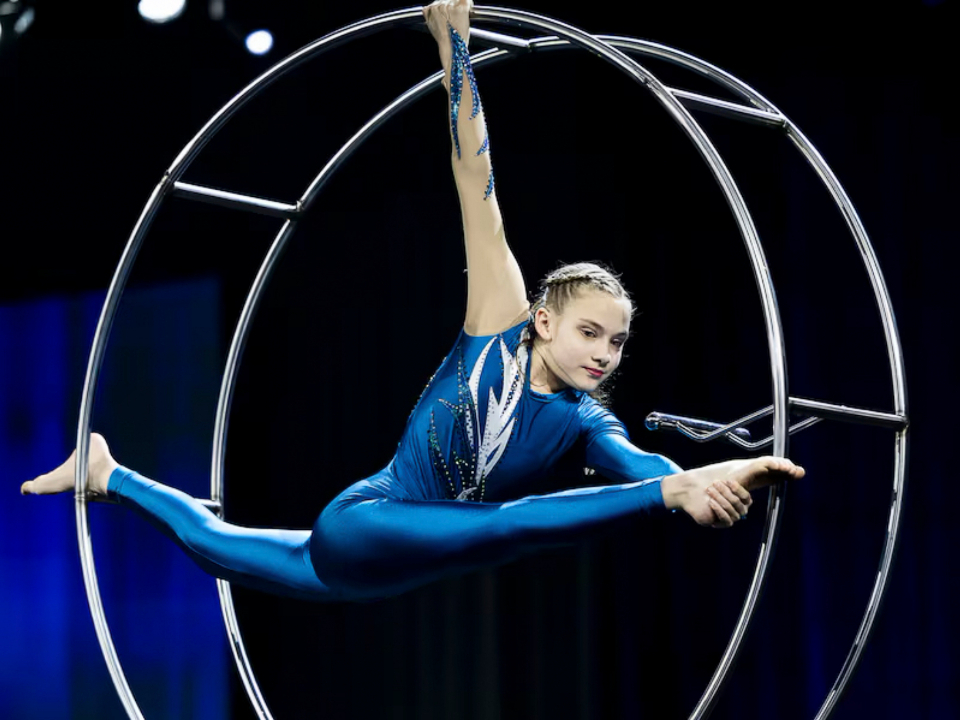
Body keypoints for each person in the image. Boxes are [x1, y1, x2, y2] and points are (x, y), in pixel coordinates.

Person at [20, 0, 804, 603]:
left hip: (378, 573)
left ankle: (109, 473)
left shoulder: (586, 421)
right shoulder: (498, 324)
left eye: (619, 343)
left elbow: (640, 464)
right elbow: (477, 183)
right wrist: (454, 46)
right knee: (510, 531)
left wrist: (697, 483)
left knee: (216, 542)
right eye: (591, 332)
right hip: (366, 521)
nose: (605, 352)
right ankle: (110, 475)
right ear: (542, 320)